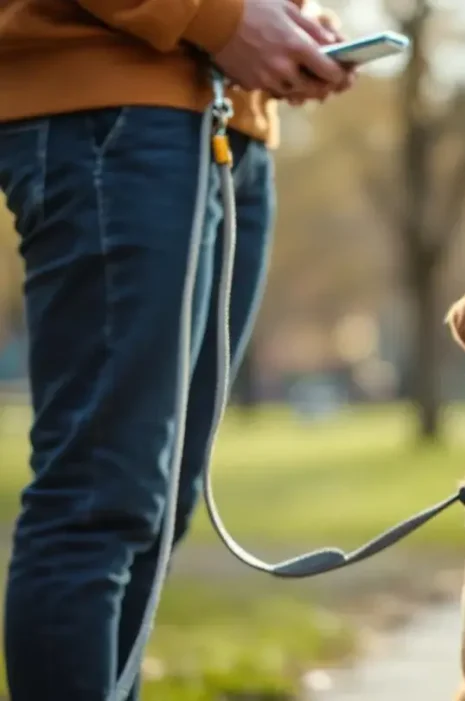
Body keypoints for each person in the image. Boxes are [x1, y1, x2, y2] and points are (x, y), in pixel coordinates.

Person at [0, 0, 356, 696]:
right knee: (100, 499)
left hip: (230, 119)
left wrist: (295, 28)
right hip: (116, 106)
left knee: (157, 509)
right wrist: (221, 19)